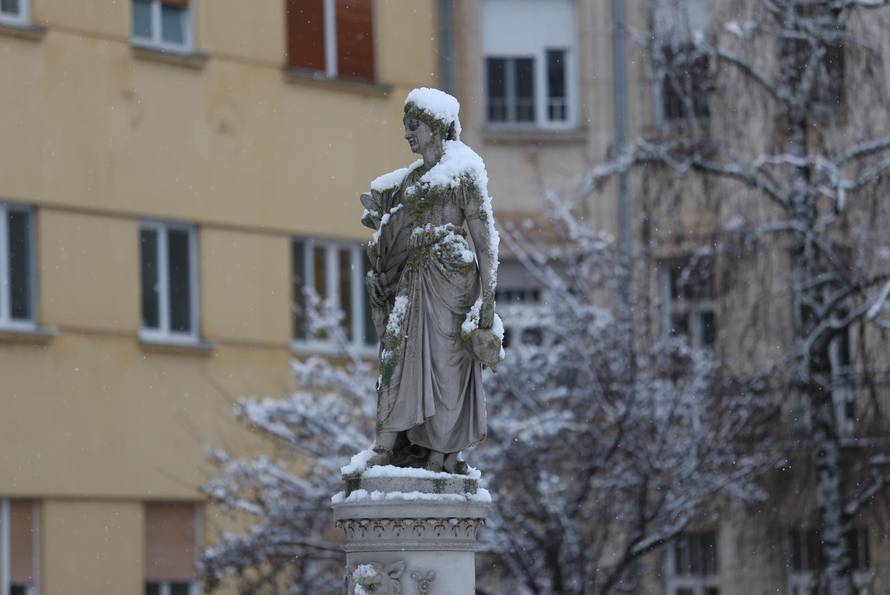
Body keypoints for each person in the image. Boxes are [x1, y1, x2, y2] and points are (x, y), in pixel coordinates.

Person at [360, 88, 502, 473]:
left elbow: (485, 239)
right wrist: (381, 274)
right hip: (414, 277)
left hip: (452, 279)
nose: (407, 134)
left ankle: (443, 447)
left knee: (446, 366)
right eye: (406, 126)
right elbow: (390, 233)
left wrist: (488, 297)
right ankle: (389, 440)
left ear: (436, 127)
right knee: (396, 356)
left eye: (414, 126)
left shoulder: (464, 170)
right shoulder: (409, 180)